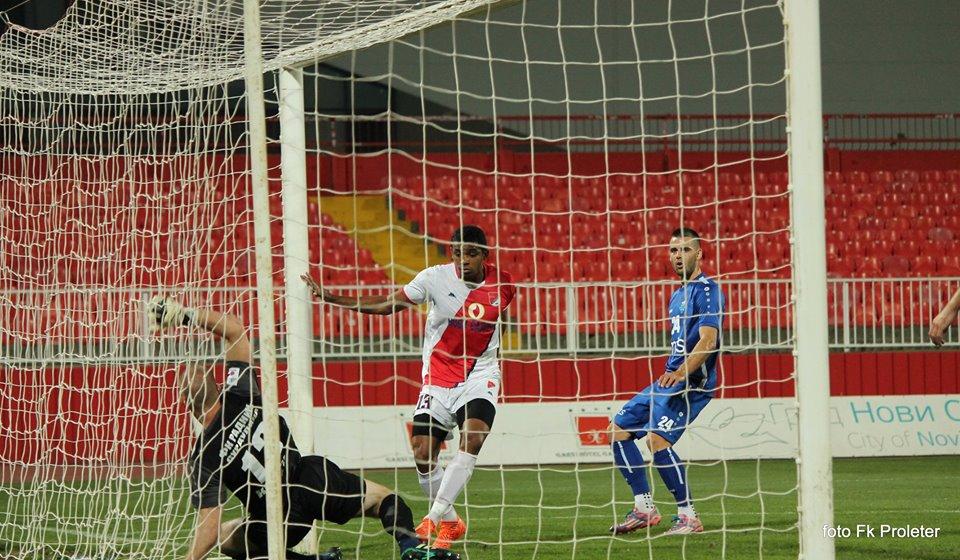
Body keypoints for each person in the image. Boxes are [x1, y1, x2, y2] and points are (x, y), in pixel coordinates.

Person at [146, 296, 457, 560]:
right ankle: (410, 547)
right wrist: (184, 314)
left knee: (227, 537)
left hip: (276, 519)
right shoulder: (240, 392)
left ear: (188, 407)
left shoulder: (203, 455)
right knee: (386, 499)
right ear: (218, 383)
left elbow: (209, 530)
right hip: (311, 480)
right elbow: (236, 332)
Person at [302, 225, 515, 549]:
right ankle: (451, 523)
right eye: (457, 253)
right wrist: (332, 298)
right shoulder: (434, 278)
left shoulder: (505, 285)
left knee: (472, 438)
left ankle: (435, 515)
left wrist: (489, 368)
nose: (463, 260)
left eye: (471, 253)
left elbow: (493, 327)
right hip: (438, 379)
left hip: (479, 376)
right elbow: (389, 304)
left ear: (484, 255)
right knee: (422, 453)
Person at [608, 227, 723, 536]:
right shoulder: (677, 294)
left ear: (699, 253)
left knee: (657, 441)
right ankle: (644, 508)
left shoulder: (707, 290)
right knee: (619, 429)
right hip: (668, 380)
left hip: (691, 383)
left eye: (685, 249)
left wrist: (682, 373)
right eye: (673, 250)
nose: (678, 256)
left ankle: (688, 516)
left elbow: (708, 340)